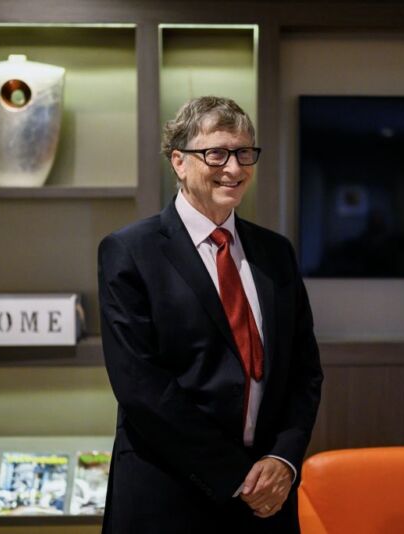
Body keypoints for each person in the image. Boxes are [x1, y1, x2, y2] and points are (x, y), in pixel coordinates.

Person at [97, 95, 323, 533]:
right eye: (216, 153)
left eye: (244, 153)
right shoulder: (130, 252)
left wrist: (283, 459)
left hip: (268, 500)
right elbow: (142, 389)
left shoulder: (276, 253)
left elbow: (304, 370)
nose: (234, 169)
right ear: (179, 162)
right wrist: (238, 478)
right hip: (169, 496)